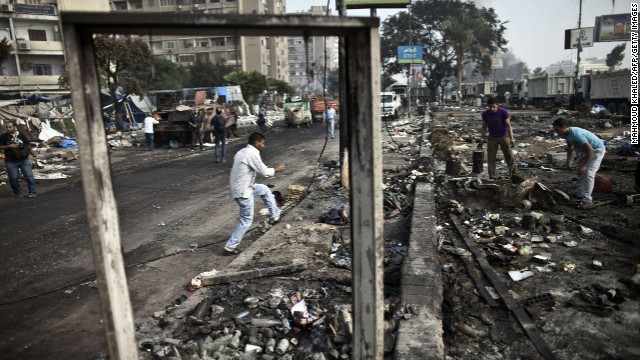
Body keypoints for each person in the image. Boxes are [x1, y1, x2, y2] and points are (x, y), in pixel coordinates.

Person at [223, 132, 286, 255]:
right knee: (246, 220)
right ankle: (231, 246)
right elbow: (264, 171)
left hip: (245, 187)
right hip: (243, 191)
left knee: (264, 189)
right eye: (262, 143)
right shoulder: (251, 153)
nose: (264, 146)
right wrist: (276, 169)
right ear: (256, 143)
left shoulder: (242, 151)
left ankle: (275, 214)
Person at [552, 118, 606, 209]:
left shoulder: (576, 134)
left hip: (596, 150)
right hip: (585, 151)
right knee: (580, 172)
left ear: (564, 127)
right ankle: (579, 193)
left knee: (589, 174)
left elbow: (590, 150)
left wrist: (584, 165)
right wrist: (568, 161)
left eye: (557, 129)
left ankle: (587, 200)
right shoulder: (565, 134)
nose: (556, 132)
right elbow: (569, 147)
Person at [478, 97, 516, 180]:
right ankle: (492, 176)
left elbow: (508, 126)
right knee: (491, 158)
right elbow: (484, 127)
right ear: (487, 106)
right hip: (492, 138)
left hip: (504, 136)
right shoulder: (485, 114)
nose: (492, 109)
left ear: (497, 105)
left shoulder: (503, 112)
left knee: (509, 156)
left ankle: (513, 175)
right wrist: (482, 139)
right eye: (490, 107)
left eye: (493, 107)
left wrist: (511, 139)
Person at [0, 120, 37, 198]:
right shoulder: (3, 136)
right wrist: (9, 146)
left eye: (10, 127)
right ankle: (17, 193)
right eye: (7, 127)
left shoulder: (21, 135)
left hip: (23, 160)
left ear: (15, 127)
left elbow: (28, 146)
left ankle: (32, 192)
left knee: (29, 176)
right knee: (13, 178)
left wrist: (33, 155)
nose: (8, 128)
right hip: (11, 161)